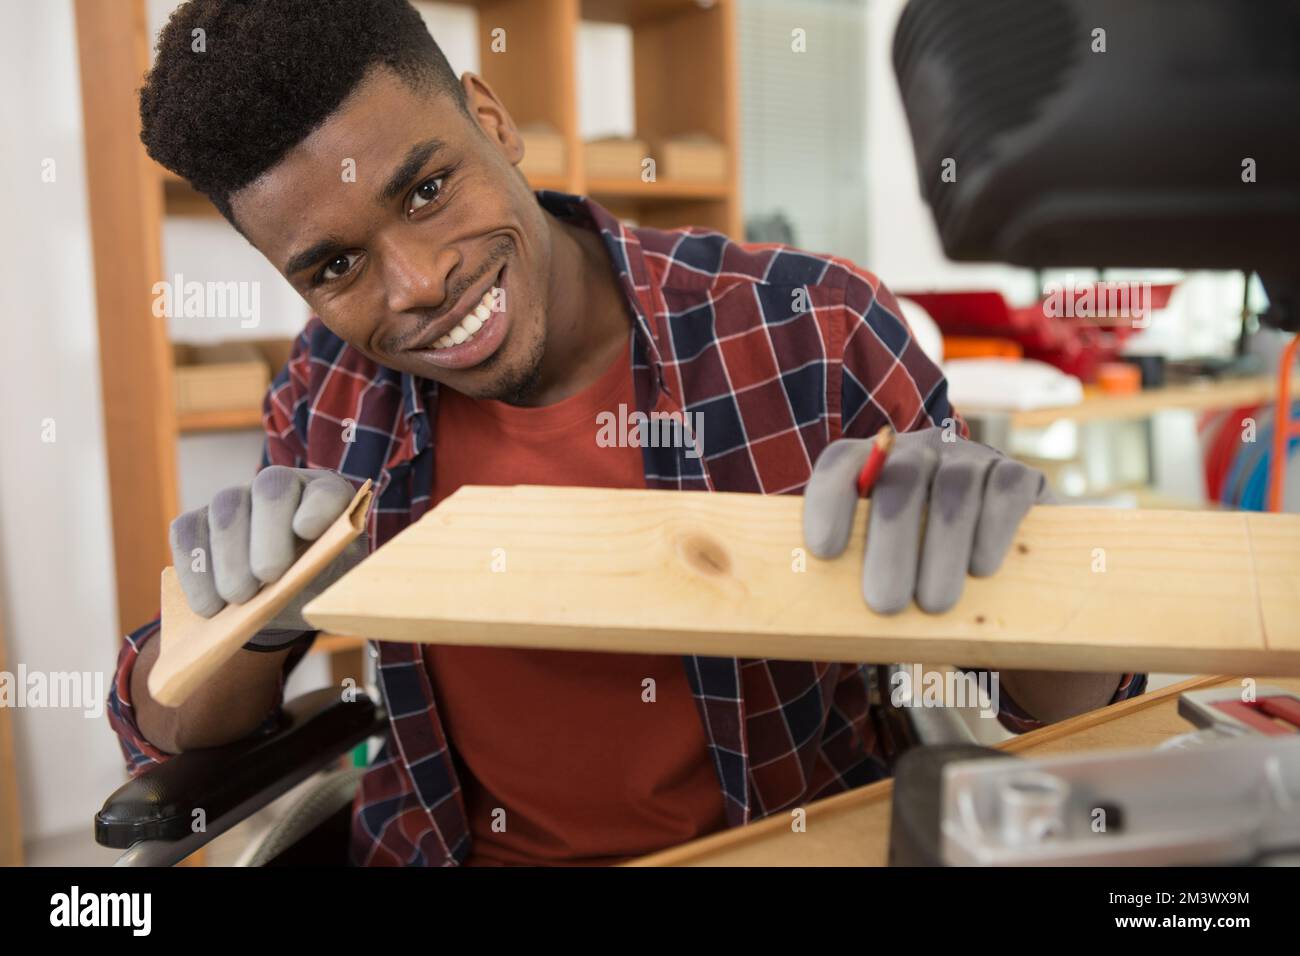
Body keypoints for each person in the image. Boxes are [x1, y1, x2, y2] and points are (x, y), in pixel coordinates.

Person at [108, 0, 1144, 866]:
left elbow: (1071, 713)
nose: (419, 284)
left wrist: (1022, 572)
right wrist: (258, 621)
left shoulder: (813, 331)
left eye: (428, 190)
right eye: (334, 266)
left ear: (492, 120)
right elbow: (161, 733)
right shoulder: (329, 387)